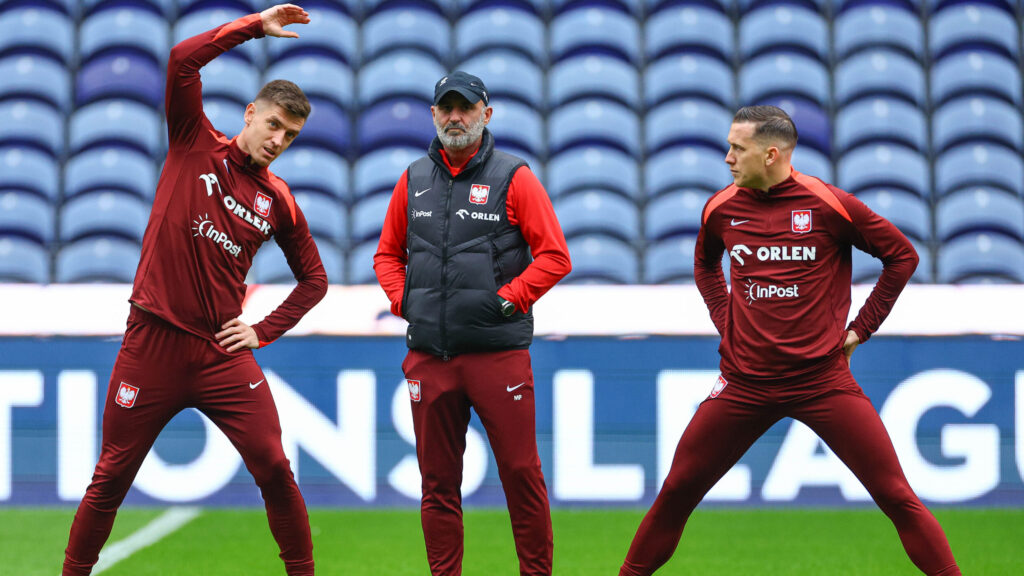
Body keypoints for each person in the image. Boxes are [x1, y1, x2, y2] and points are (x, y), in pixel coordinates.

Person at [619, 105, 961, 576]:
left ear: (772, 154)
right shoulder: (721, 207)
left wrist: (863, 327)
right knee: (677, 492)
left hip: (822, 382)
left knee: (896, 496)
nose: (727, 158)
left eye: (737, 149)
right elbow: (705, 266)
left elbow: (901, 256)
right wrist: (726, 320)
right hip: (744, 384)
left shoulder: (828, 205)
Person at [62, 5, 327, 575]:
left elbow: (315, 280)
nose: (279, 139)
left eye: (291, 134)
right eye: (274, 124)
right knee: (111, 475)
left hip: (219, 354)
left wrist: (262, 331)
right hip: (152, 343)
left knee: (276, 467)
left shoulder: (278, 200)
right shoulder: (192, 142)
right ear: (251, 114)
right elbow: (183, 61)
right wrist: (254, 26)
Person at [373, 71, 572, 576]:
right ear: (434, 114)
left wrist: (509, 301)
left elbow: (554, 256)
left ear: (487, 113)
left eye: (466, 107)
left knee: (521, 475)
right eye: (446, 108)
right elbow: (385, 255)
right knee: (437, 485)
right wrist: (405, 301)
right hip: (429, 358)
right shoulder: (413, 177)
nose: (455, 117)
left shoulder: (514, 175)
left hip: (497, 354)